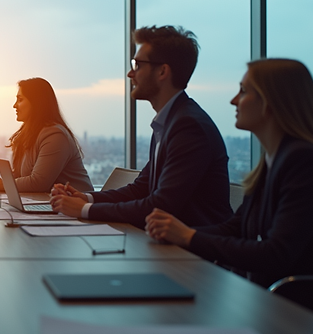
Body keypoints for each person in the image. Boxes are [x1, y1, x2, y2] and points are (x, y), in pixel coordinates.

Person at [145, 59, 313, 334]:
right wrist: (178, 234)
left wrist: (188, 237)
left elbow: (276, 254)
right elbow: (237, 227)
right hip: (279, 304)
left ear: (271, 101)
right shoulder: (273, 160)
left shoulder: (305, 162)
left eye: (243, 91)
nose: (233, 100)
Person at [51, 25, 232, 229]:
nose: (130, 74)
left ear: (162, 71)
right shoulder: (170, 122)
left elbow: (160, 206)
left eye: (137, 65)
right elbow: (141, 189)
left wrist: (83, 210)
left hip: (194, 255)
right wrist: (86, 198)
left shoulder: (188, 127)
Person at [0, 78, 93, 193]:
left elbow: (38, 183)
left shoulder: (55, 135)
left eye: (20, 100)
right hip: (48, 203)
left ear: (36, 103)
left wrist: (3, 184)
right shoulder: (28, 135)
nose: (14, 106)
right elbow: (22, 176)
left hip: (75, 206)